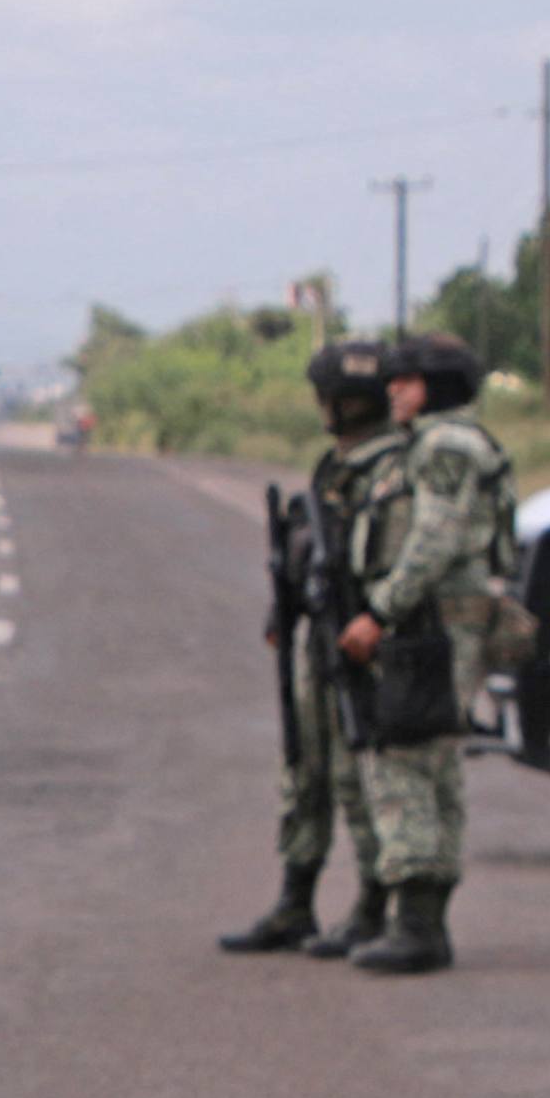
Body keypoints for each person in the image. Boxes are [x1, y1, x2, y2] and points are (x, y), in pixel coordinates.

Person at [333, 331, 513, 974]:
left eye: (404, 381)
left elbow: (434, 538)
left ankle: (418, 924)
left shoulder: (445, 446)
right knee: (430, 763)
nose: (391, 391)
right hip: (438, 616)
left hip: (433, 620)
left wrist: (381, 611)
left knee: (405, 759)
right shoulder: (436, 443)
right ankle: (422, 921)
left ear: (433, 386)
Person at [219, 337, 402, 957]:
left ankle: (373, 906)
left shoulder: (393, 466)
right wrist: (286, 605)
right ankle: (296, 901)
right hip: (320, 636)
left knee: (357, 776)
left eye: (332, 397)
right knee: (304, 771)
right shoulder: (337, 464)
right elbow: (313, 546)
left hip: (364, 642)